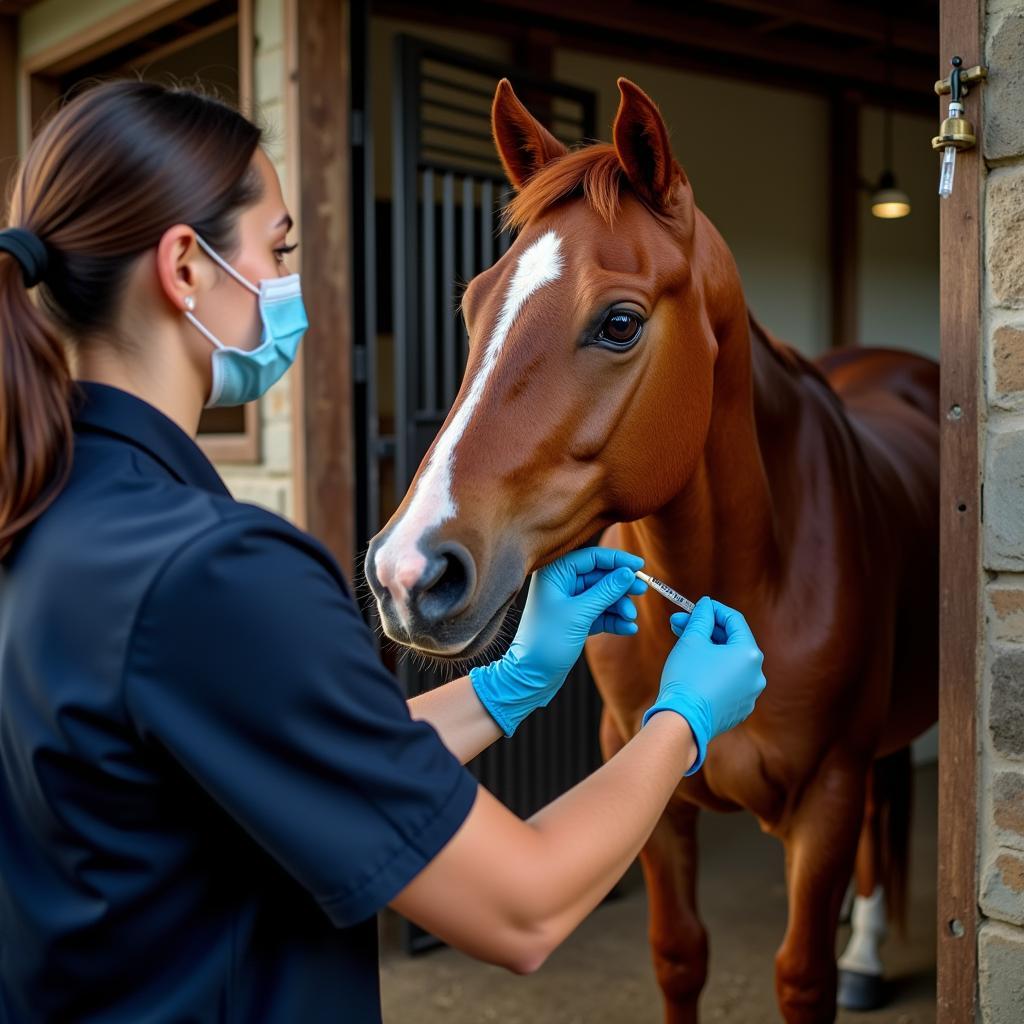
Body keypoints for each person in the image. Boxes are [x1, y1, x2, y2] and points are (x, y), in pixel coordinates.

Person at [0, 81, 766, 1023]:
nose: (289, 281)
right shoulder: (211, 573)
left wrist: (511, 681)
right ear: (186, 270)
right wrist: (683, 719)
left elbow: (297, 759)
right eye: (278, 250)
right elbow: (523, 907)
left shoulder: (47, 514)